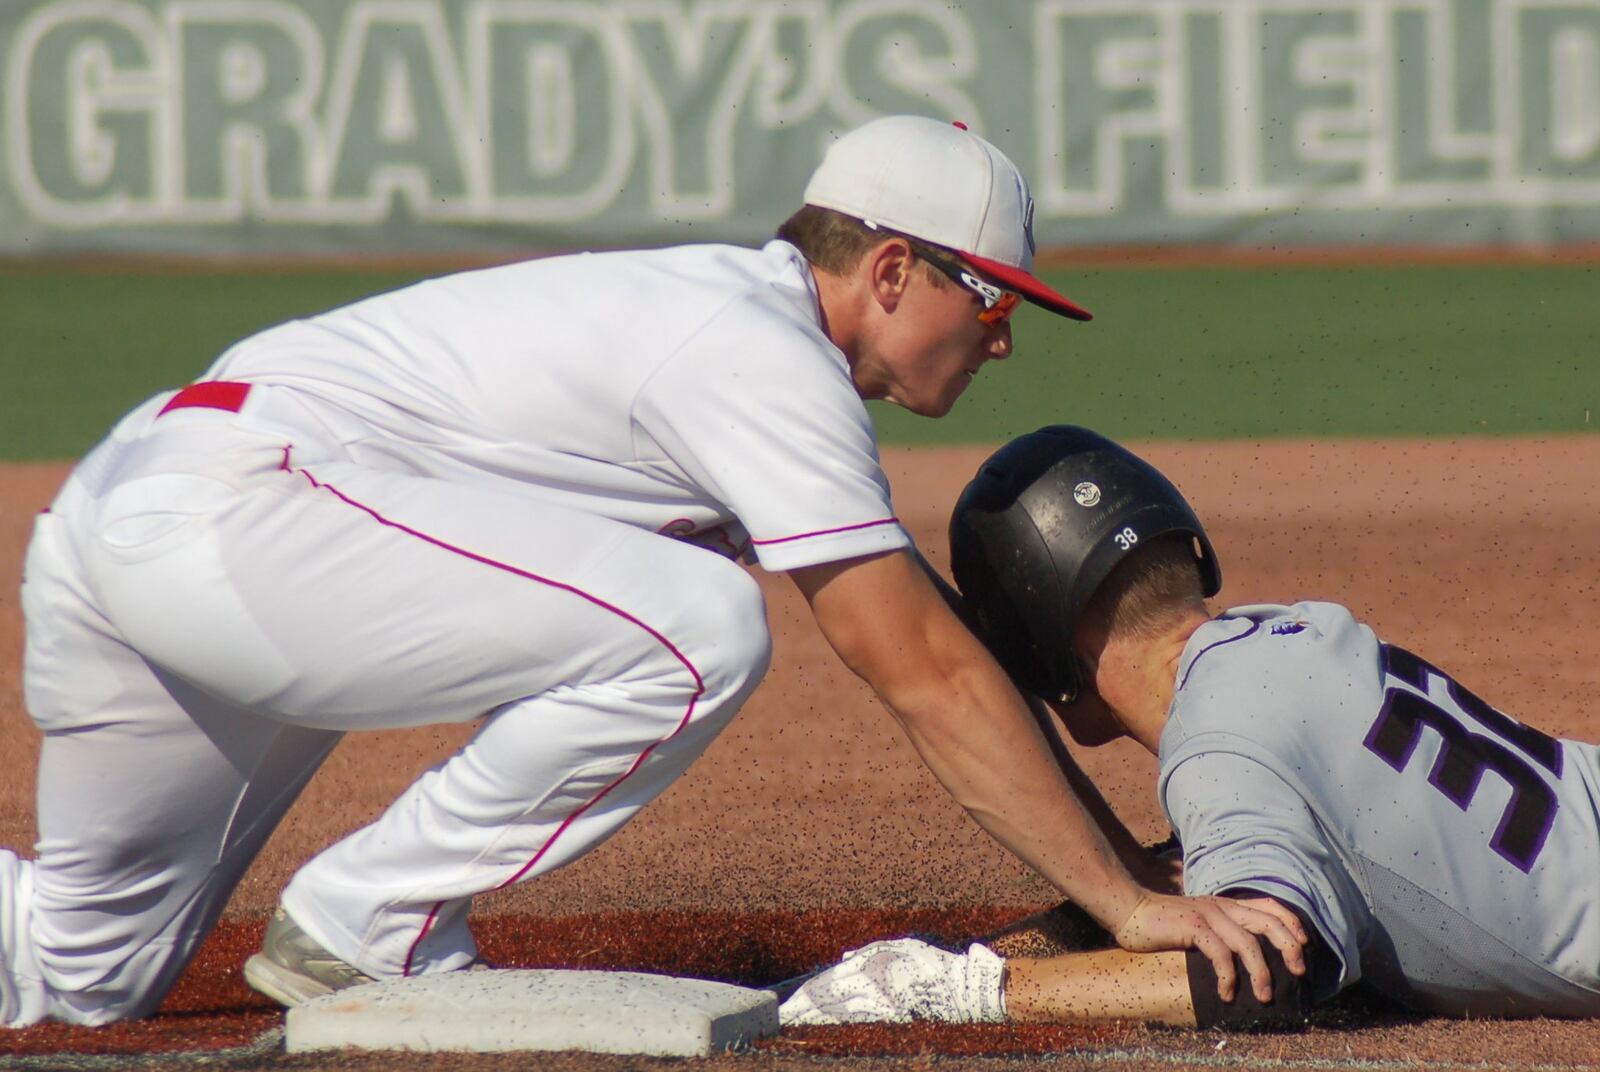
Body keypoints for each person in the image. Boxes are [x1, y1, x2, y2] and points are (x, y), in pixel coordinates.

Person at [0, 118, 1303, 1028]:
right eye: (994, 300)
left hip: (140, 515)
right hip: (245, 512)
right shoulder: (758, 348)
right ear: (894, 268)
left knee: (79, 970)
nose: (1002, 337)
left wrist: (1116, 866)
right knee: (697, 630)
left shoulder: (727, 334)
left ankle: (338, 920)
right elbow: (919, 671)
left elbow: (931, 645)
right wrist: (1126, 905)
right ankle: (366, 918)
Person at [781, 425, 1600, 1029]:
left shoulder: (1216, 748)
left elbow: (1262, 973)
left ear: (1040, 658)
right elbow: (1190, 881)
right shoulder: (1294, 630)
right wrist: (1006, 947)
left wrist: (968, 992)